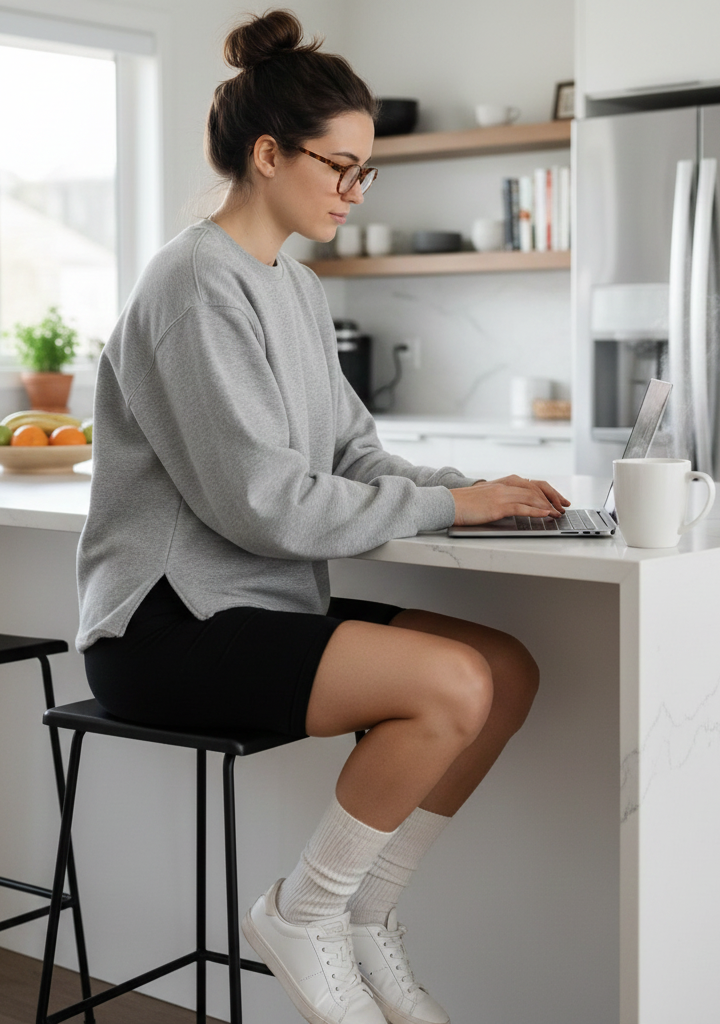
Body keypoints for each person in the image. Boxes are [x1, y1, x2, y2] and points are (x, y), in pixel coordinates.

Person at [76, 10, 569, 1024]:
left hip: (256, 609)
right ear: (267, 154)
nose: (354, 190)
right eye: (340, 166)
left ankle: (360, 919)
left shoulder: (291, 287)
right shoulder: (191, 284)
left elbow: (349, 451)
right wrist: (452, 502)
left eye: (365, 172)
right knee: (451, 683)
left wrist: (484, 495)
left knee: (508, 672)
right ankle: (308, 914)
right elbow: (266, 504)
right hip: (167, 628)